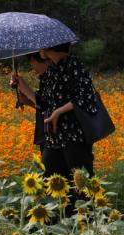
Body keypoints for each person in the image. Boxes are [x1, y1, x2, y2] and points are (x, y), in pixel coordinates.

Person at [13, 43, 98, 216]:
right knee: (47, 185)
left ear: (51, 48)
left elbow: (86, 98)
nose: (39, 50)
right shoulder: (52, 70)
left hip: (74, 136)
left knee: (81, 186)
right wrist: (23, 89)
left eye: (42, 47)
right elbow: (45, 104)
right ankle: (42, 234)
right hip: (54, 138)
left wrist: (59, 111)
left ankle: (87, 233)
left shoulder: (74, 65)